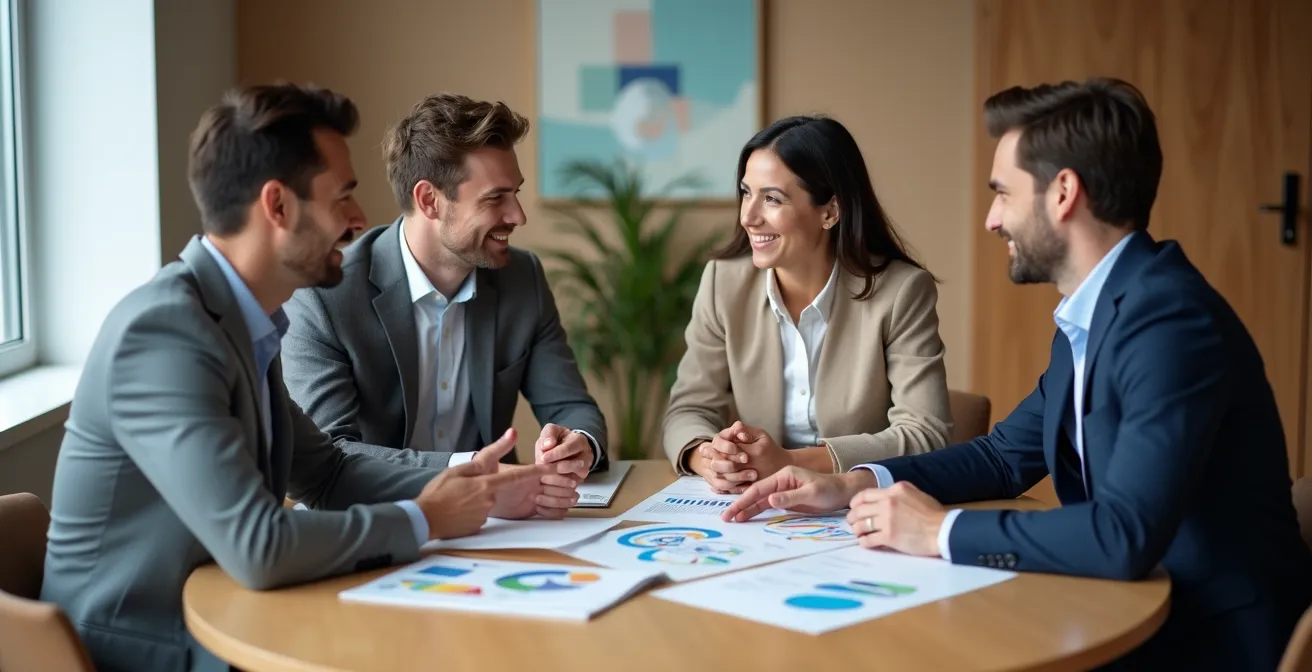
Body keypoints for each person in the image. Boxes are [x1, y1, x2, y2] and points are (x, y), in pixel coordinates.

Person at [722, 78, 1312, 668]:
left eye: (1003, 193)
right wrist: (855, 483)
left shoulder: (1169, 322)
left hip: (1211, 639)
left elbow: (1121, 536)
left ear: (1063, 194)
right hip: (1132, 606)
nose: (990, 219)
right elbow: (1002, 457)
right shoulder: (1101, 309)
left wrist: (938, 532)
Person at [40, 83, 556, 672]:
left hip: (226, 614)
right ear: (278, 207)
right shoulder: (164, 334)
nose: (361, 220)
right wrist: (429, 516)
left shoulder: (241, 319)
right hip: (138, 648)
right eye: (342, 197)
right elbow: (258, 546)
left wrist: (468, 478)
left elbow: (327, 472)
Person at [282, 92, 607, 501]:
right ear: (429, 200)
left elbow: (571, 405)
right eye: (495, 198)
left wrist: (577, 444)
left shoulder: (523, 279)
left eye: (516, 193)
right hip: (381, 519)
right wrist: (470, 473)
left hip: (497, 527)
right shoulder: (324, 296)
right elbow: (330, 455)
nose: (518, 216)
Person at [662, 115, 952, 494]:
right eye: (746, 192)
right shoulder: (723, 282)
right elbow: (687, 409)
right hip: (755, 509)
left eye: (772, 198)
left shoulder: (901, 292)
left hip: (857, 502)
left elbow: (926, 433)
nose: (748, 216)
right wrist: (710, 458)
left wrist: (792, 462)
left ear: (830, 211)